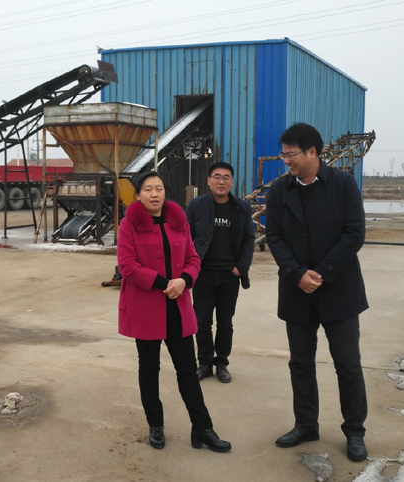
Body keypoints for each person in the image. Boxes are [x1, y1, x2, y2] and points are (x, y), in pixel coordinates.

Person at [265, 123, 369, 462]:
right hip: (297, 291)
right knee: (301, 363)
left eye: (290, 155)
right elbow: (274, 237)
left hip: (339, 290)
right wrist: (297, 274)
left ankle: (354, 431)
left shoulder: (342, 184)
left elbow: (354, 234)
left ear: (312, 152)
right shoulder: (279, 190)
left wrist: (321, 273)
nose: (286, 161)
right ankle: (306, 425)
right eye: (283, 155)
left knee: (348, 365)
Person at [117, 171, 231, 453]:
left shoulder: (179, 221)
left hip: (177, 308)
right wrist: (163, 283)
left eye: (159, 188)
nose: (154, 194)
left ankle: (203, 428)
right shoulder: (128, 224)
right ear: (138, 195)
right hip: (146, 309)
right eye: (148, 189)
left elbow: (193, 258)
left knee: (187, 371)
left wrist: (185, 280)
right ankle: (155, 424)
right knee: (149, 369)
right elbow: (127, 265)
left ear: (165, 192)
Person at [186, 162, 254, 383]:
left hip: (229, 275)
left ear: (232, 182)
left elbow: (249, 238)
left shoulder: (241, 208)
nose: (221, 181)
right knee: (202, 322)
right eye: (217, 176)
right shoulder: (197, 205)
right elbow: (186, 237)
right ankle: (205, 364)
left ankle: (222, 362)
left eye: (226, 177)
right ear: (208, 181)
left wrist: (240, 267)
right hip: (203, 274)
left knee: (225, 322)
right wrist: (191, 267)